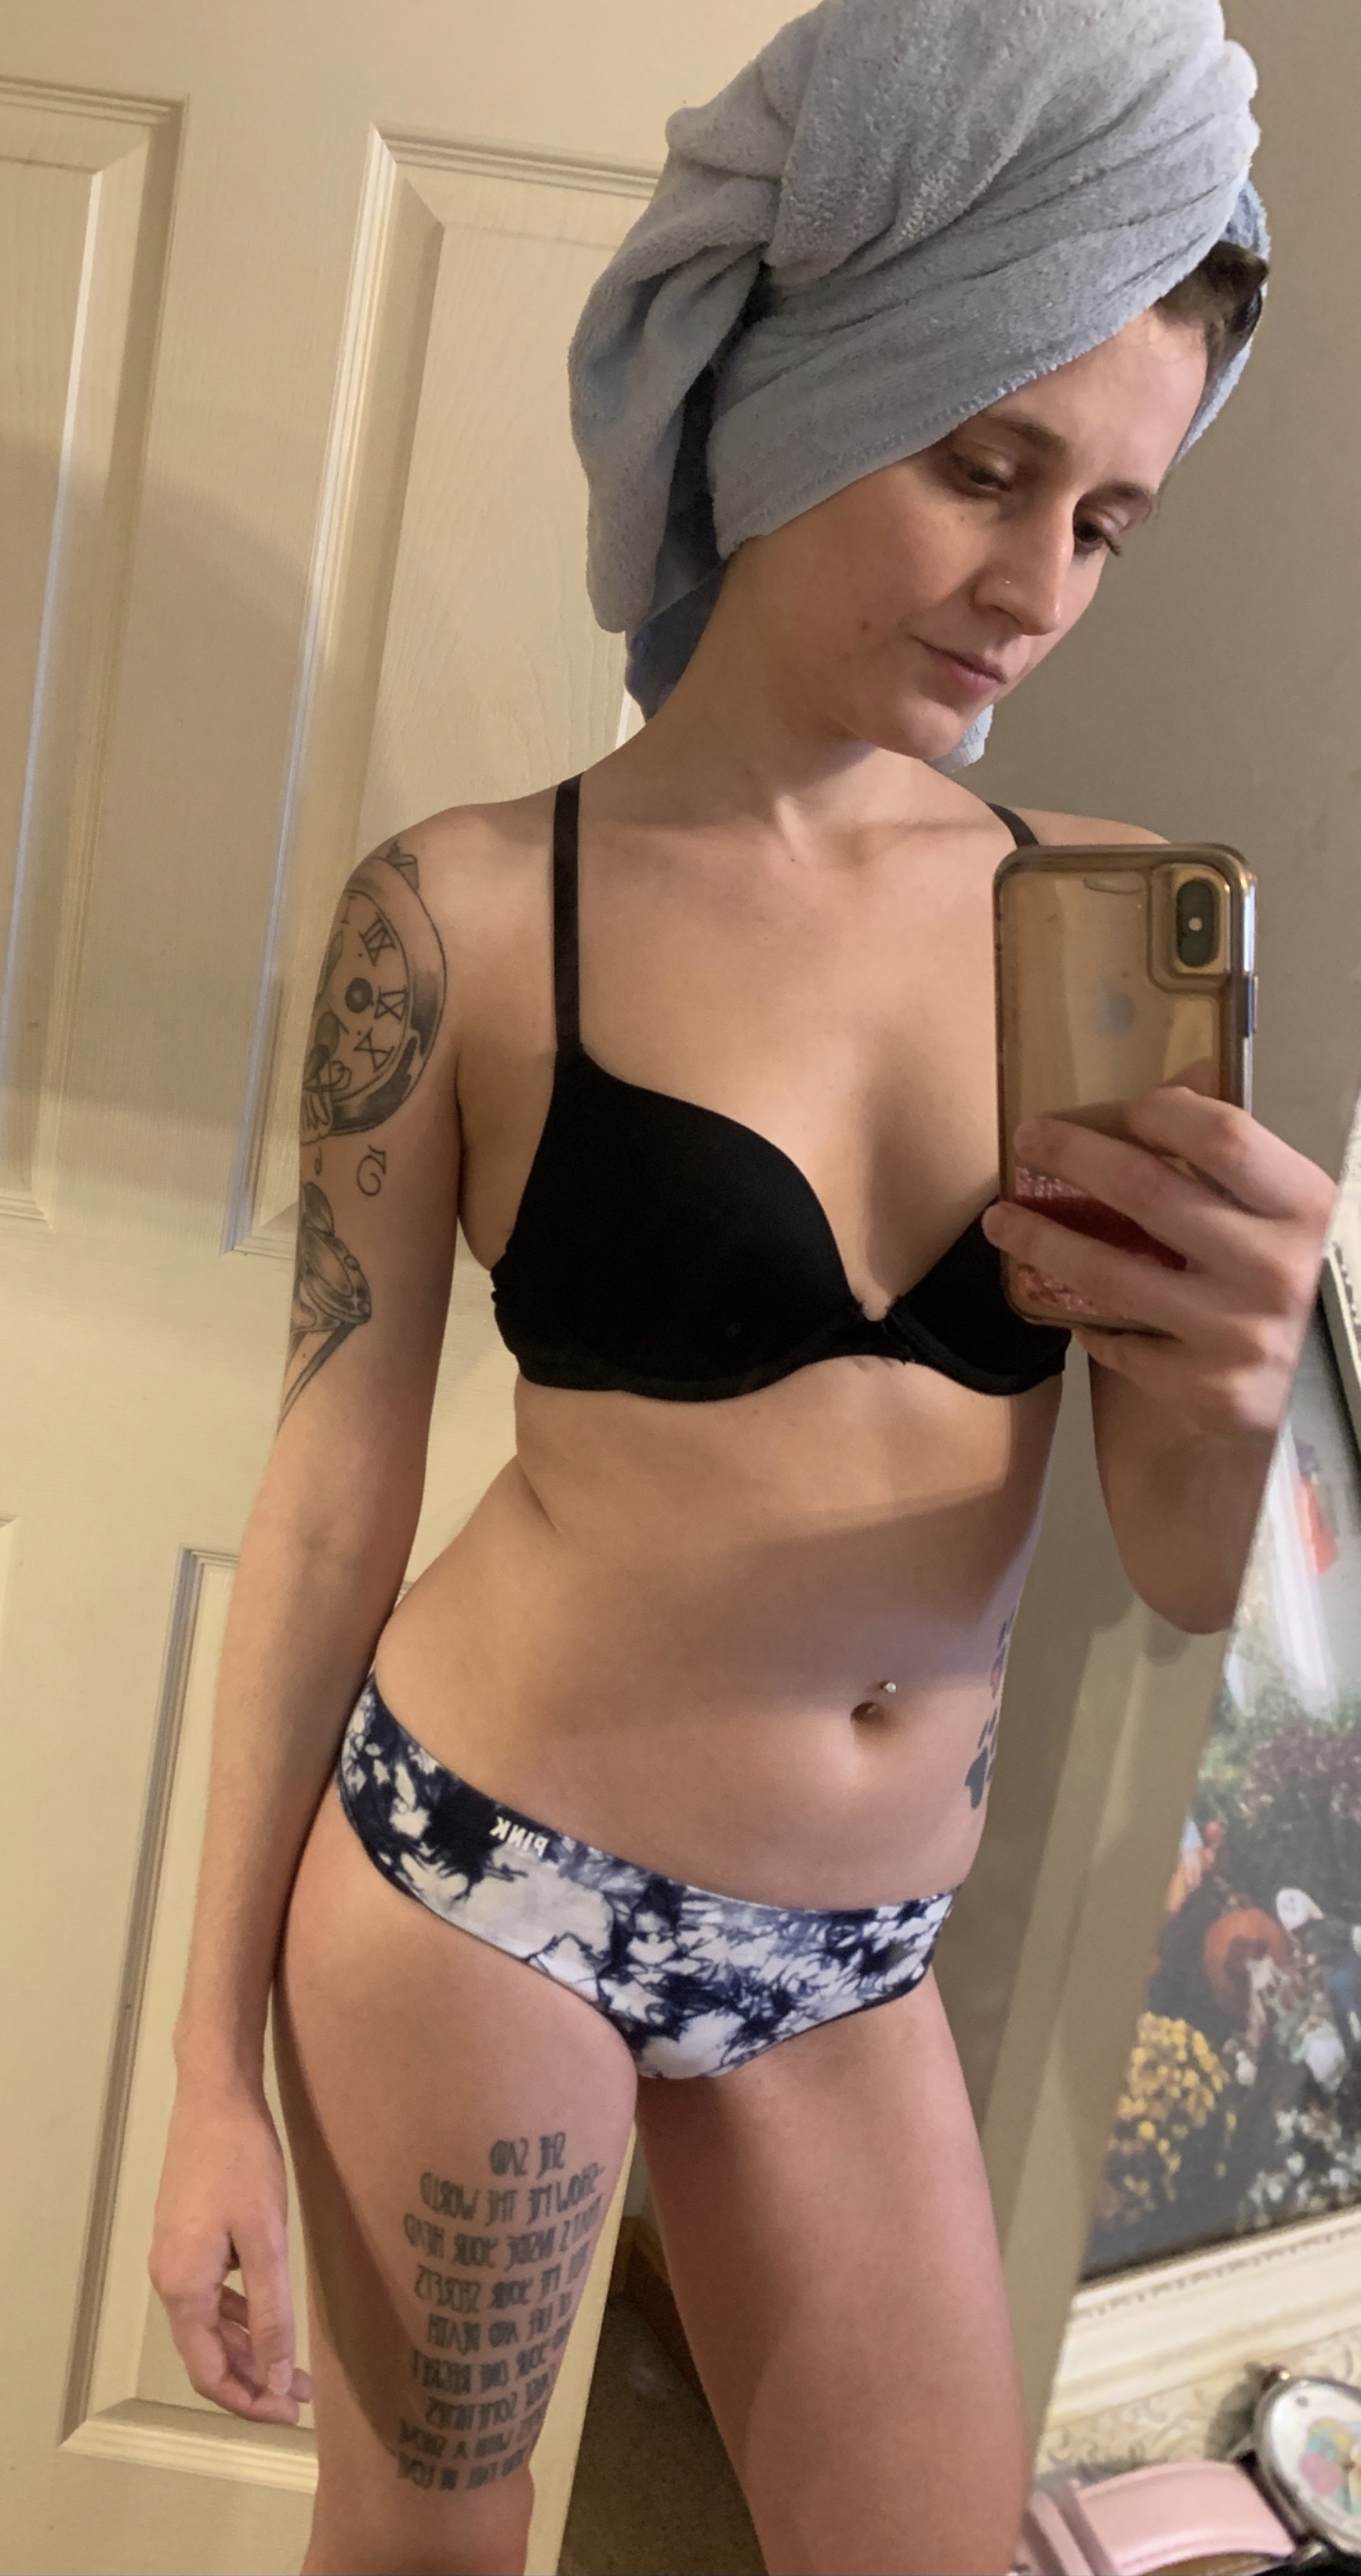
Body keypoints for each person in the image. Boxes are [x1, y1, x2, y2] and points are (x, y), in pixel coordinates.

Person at [148, 5, 1337, 2570]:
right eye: (984, 468)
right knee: (433, 2555)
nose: (1038, 589)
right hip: (490, 1884)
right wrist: (203, 2069)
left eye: (1109, 520)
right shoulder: (468, 919)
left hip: (857, 1946)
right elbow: (336, 1488)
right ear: (802, 391)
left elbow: (1163, 1562)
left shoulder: (1079, 923)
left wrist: (1243, 1379)